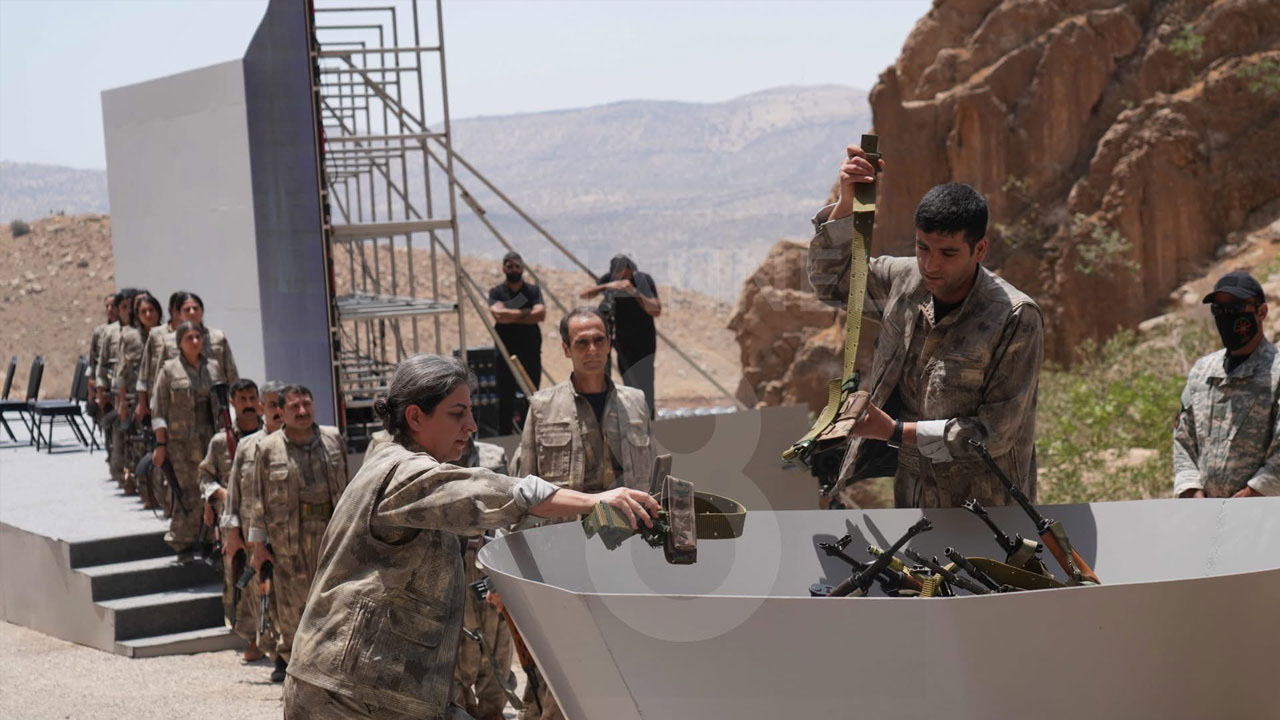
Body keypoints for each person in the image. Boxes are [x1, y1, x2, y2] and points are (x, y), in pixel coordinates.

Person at [281, 354, 658, 720]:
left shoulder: (397, 465)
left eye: (470, 412)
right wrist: (593, 501)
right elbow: (485, 493)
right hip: (347, 694)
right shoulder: (401, 471)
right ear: (415, 417)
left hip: (373, 687)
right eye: (457, 413)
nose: (472, 425)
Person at [807, 144, 1044, 509]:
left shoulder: (1014, 317)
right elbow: (833, 281)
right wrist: (848, 202)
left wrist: (894, 432)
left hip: (989, 510)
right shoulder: (903, 280)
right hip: (915, 500)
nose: (931, 265)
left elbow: (995, 433)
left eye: (948, 253)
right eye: (923, 248)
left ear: (979, 250)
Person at [511, 307, 657, 720]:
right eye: (581, 342)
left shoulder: (636, 402)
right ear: (565, 349)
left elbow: (649, 478)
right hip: (565, 559)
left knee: (627, 660)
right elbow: (524, 489)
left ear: (610, 344)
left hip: (628, 556)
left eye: (599, 340)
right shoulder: (542, 407)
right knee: (565, 665)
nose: (592, 349)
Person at [246, 384, 347, 684]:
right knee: (293, 613)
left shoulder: (333, 438)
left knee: (334, 607)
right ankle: (297, 676)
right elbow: (257, 499)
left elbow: (349, 489)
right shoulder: (268, 448)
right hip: (289, 543)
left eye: (307, 404)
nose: (302, 411)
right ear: (281, 411)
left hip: (331, 538)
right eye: (294, 407)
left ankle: (333, 674)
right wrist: (258, 546)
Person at [1173, 271, 1280, 499]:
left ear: (1261, 312)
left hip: (1266, 512)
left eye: (1234, 309)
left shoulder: (1276, 371)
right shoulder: (1202, 371)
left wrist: (1252, 495)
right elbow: (1183, 440)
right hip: (1205, 515)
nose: (1225, 317)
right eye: (1218, 310)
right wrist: (1192, 491)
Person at [195, 377, 267, 660]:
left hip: (266, 520)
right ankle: (253, 638)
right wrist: (222, 495)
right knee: (240, 579)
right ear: (233, 403)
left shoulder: (271, 436)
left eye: (252, 399)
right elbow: (204, 476)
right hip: (234, 523)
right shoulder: (219, 442)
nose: (248, 405)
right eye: (242, 400)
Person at [452, 438, 516, 720]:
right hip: (451, 567)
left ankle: (492, 710)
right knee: (457, 654)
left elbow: (511, 514)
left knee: (497, 647)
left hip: (489, 562)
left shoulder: (494, 456)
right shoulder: (427, 461)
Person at [222, 380, 285, 662]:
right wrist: (232, 532)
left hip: (291, 537)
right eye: (271, 405)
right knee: (262, 597)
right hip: (254, 538)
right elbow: (233, 494)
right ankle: (274, 654)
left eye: (282, 405)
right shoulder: (247, 447)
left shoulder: (300, 442)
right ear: (262, 408)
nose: (277, 411)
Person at [151, 321, 225, 559]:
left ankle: (208, 541)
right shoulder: (169, 370)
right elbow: (158, 411)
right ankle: (182, 542)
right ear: (179, 343)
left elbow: (223, 404)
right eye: (189, 338)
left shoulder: (213, 368)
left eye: (198, 337)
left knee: (209, 490)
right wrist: (161, 445)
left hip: (210, 440)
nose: (195, 342)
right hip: (180, 444)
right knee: (186, 493)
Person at [579, 254, 661, 418]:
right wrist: (608, 286)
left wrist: (634, 292)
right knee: (628, 384)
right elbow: (584, 294)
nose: (622, 277)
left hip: (643, 341)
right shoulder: (611, 280)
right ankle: (633, 420)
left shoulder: (642, 280)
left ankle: (648, 420)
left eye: (625, 273)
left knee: (644, 384)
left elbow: (655, 309)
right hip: (622, 342)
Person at [137, 291, 238, 422]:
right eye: (187, 309)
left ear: (202, 311)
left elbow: (231, 374)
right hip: (180, 411)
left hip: (214, 408)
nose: (192, 312)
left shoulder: (218, 338)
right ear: (178, 314)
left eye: (195, 308)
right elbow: (159, 381)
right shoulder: (168, 342)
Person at [488, 251, 546, 434]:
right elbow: (498, 315)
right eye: (510, 266)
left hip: (530, 351)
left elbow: (540, 314)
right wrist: (526, 313)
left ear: (522, 268)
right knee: (505, 398)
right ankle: (505, 438)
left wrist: (510, 314)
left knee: (532, 395)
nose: (514, 269)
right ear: (503, 268)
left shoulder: (532, 291)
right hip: (505, 353)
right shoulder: (497, 292)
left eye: (517, 266)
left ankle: (532, 435)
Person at [115, 292, 161, 500]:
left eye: (152, 310)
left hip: (163, 400)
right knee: (141, 447)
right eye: (143, 311)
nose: (148, 315)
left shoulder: (167, 335)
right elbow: (122, 372)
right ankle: (146, 491)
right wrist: (122, 402)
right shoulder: (129, 337)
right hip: (137, 402)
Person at [97, 288, 138, 488]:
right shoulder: (109, 332)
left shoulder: (144, 333)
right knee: (118, 437)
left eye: (131, 306)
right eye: (123, 307)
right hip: (117, 394)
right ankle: (121, 473)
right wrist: (99, 391)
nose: (127, 311)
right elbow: (101, 364)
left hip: (137, 395)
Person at [86, 293, 118, 419]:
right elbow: (93, 362)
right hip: (103, 386)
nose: (110, 309)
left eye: (113, 306)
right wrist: (92, 389)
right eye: (107, 306)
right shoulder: (99, 332)